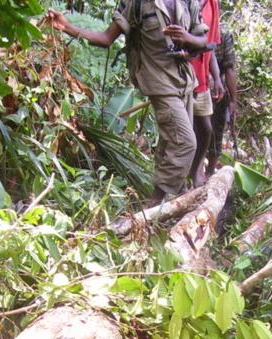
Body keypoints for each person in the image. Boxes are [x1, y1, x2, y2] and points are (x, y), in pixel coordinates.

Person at [46, 1, 209, 206]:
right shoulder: (136, 3)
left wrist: (188, 38)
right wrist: (67, 27)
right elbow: (106, 38)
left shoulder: (188, 1)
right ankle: (154, 205)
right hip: (156, 79)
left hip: (184, 79)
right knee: (185, 142)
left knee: (169, 142)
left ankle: (175, 200)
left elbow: (203, 40)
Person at [188, 0, 225, 188]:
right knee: (184, 134)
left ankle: (195, 169)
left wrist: (217, 78)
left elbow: (210, 46)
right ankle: (179, 180)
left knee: (205, 130)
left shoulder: (212, 4)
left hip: (201, 81)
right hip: (181, 78)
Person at [206, 26, 237, 179]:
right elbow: (229, 68)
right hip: (209, 90)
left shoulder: (222, 34)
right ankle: (206, 172)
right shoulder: (221, 33)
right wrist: (233, 101)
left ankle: (208, 172)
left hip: (215, 92)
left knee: (213, 132)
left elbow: (229, 69)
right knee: (212, 132)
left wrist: (232, 100)